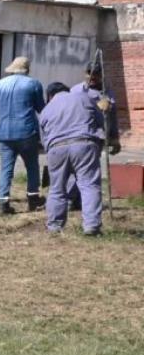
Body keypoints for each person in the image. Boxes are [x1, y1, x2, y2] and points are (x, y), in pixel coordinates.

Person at [39, 66, 120, 236]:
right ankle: (91, 226)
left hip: (55, 148)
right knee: (89, 185)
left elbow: (44, 137)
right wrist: (107, 138)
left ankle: (54, 227)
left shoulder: (46, 109)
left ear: (50, 96)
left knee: (56, 188)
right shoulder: (83, 97)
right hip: (84, 144)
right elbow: (100, 121)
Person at [0, 56, 45, 215]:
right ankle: (33, 199)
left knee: (6, 169)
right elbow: (41, 109)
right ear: (27, 69)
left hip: (4, 134)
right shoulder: (33, 84)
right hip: (27, 132)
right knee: (32, 166)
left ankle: (3, 202)